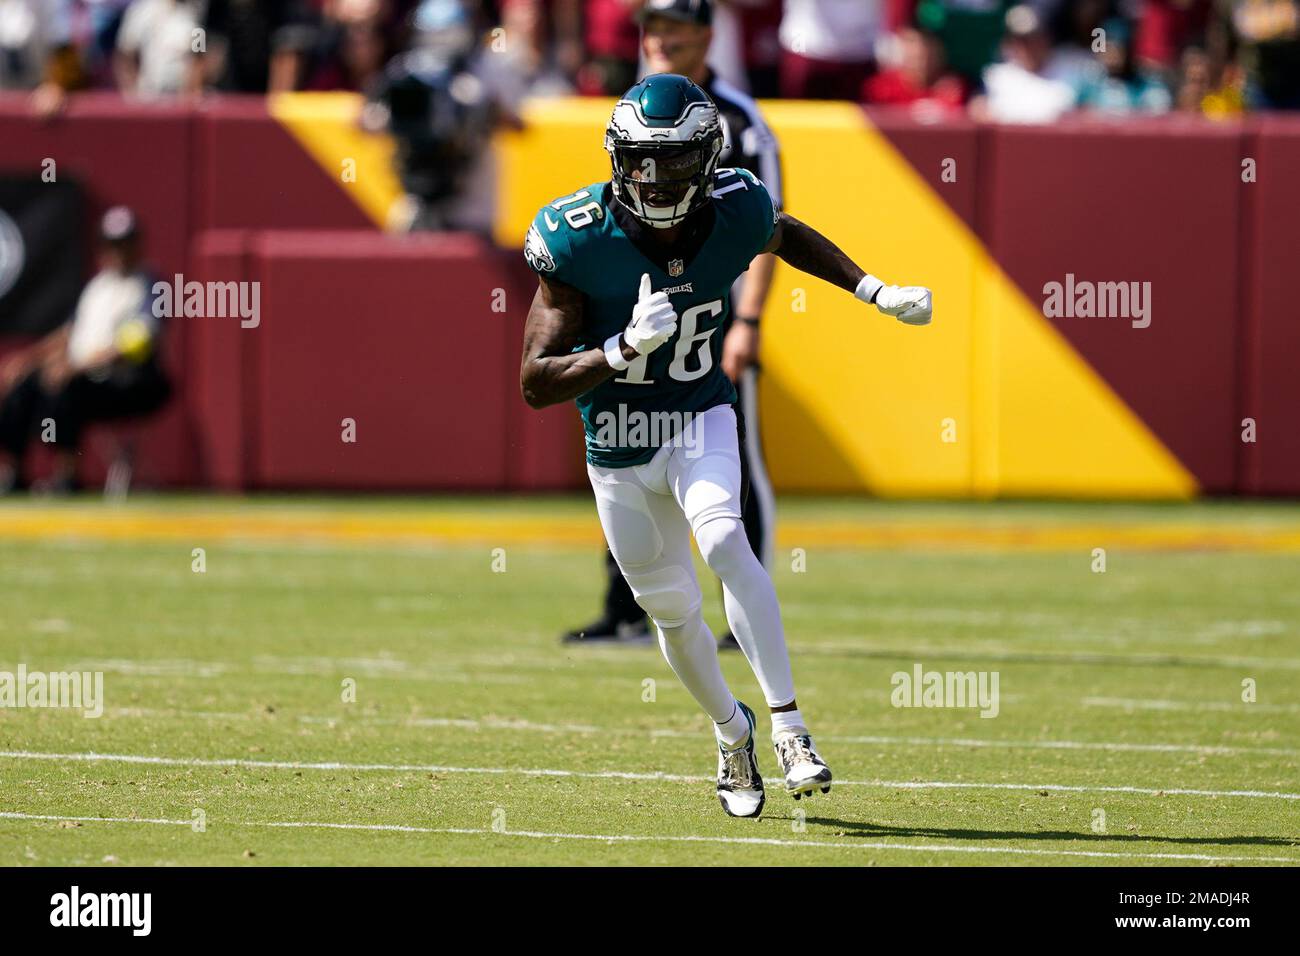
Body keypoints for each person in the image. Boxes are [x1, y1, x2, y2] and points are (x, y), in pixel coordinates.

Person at [518, 73, 932, 816]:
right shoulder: (576, 234)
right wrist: (615, 352)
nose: (654, 177)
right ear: (618, 158)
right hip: (616, 441)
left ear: (706, 160)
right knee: (672, 614)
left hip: (699, 415)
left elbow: (787, 232)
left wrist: (873, 290)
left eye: (672, 161)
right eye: (641, 160)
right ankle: (730, 731)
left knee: (726, 543)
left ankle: (790, 726)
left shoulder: (735, 205)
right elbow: (535, 381)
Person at [561, 0, 781, 648]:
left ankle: (746, 609)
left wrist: (747, 319)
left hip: (710, 318)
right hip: (638, 317)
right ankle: (627, 605)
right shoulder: (629, 108)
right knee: (620, 452)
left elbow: (774, 229)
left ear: (706, 36)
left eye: (674, 27)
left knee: (737, 464)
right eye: (652, 27)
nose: (660, 39)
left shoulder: (739, 119)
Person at [0, 206, 171, 494]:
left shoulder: (150, 285)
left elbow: (137, 342)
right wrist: (26, 362)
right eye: (112, 244)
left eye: (125, 243)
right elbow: (70, 334)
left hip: (127, 380)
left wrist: (75, 367)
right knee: (24, 387)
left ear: (136, 245)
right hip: (81, 372)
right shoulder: (97, 287)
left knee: (68, 388)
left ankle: (66, 475)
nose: (118, 251)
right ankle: (13, 473)